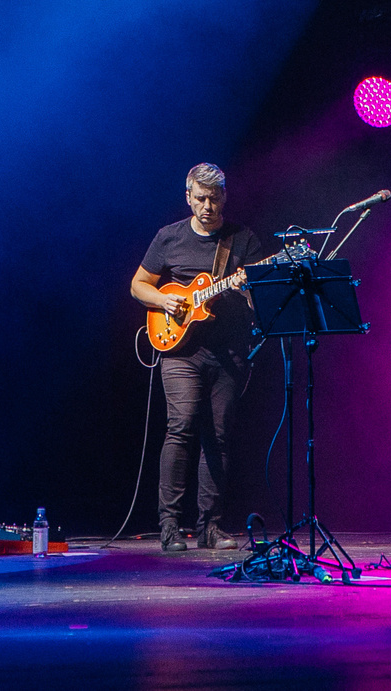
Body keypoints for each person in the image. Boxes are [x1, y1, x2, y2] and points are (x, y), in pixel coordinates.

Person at [130, 163, 258, 552]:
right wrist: (163, 300)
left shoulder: (242, 239)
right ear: (188, 197)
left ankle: (210, 527)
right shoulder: (169, 237)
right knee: (181, 427)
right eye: (200, 199)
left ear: (224, 197)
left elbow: (260, 296)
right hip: (180, 350)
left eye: (214, 199)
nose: (207, 206)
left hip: (228, 351)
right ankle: (169, 526)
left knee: (217, 436)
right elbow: (138, 285)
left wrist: (245, 287)